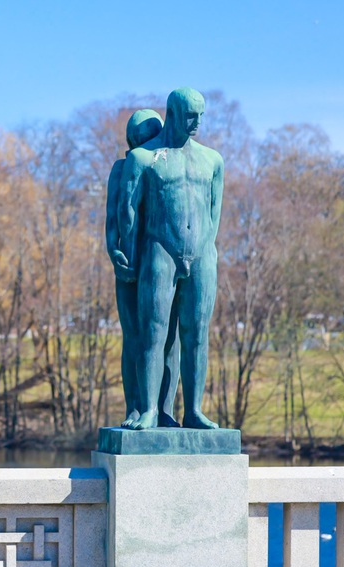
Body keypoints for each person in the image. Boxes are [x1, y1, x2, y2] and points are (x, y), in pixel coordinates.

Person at [120, 88, 225, 430]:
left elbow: (214, 211)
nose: (196, 122)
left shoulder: (212, 160)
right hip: (159, 249)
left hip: (202, 256)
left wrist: (206, 250)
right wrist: (127, 257)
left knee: (196, 334)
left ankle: (193, 410)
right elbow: (128, 213)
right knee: (154, 332)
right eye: (190, 115)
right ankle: (150, 409)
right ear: (173, 112)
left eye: (200, 115)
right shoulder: (144, 158)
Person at [105, 109, 181, 427]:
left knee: (170, 338)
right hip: (129, 263)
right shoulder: (123, 168)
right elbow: (112, 216)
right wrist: (114, 249)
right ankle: (136, 407)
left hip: (163, 261)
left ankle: (165, 409)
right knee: (136, 337)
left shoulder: (169, 166)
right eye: (144, 137)